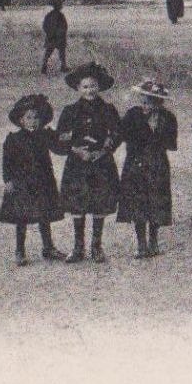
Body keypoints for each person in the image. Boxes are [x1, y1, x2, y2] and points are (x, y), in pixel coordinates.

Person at [55, 62, 123, 262]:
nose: (89, 90)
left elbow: (117, 134)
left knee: (100, 202)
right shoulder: (70, 111)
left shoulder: (108, 109)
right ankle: (78, 247)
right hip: (78, 164)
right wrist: (75, 150)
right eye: (85, 87)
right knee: (78, 203)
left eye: (93, 86)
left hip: (101, 163)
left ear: (99, 87)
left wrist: (104, 151)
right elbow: (60, 137)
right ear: (78, 88)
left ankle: (96, 246)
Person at [0, 93, 66, 266]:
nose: (33, 121)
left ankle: (48, 247)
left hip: (43, 181)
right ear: (21, 120)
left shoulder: (45, 135)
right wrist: (8, 180)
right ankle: (20, 250)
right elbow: (7, 162)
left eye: (36, 117)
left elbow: (59, 148)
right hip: (22, 183)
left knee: (44, 215)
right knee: (22, 217)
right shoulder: (13, 139)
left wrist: (65, 139)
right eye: (28, 117)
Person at [116, 79, 176, 259]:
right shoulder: (132, 114)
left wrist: (159, 131)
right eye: (144, 99)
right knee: (138, 204)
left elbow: (172, 144)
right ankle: (141, 243)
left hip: (157, 164)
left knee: (156, 202)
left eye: (151, 100)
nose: (146, 103)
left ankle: (154, 240)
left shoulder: (168, 118)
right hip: (135, 164)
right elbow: (122, 135)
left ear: (160, 102)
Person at [41, 0, 68, 75]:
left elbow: (45, 25)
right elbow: (64, 26)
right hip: (58, 38)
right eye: (60, 5)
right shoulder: (60, 15)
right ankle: (63, 66)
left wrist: (48, 33)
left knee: (48, 52)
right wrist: (62, 34)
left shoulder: (49, 15)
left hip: (50, 37)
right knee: (62, 53)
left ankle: (44, 66)